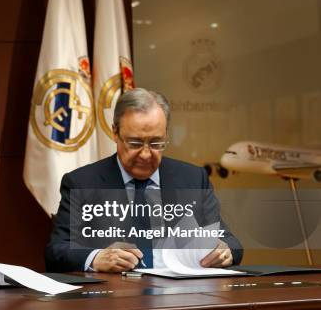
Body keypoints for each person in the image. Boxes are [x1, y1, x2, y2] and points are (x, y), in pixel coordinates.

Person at [45, 88, 243, 273]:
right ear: (115, 133)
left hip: (182, 298)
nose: (146, 154)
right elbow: (56, 251)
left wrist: (225, 252)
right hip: (116, 301)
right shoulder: (82, 183)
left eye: (156, 143)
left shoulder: (192, 178)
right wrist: (96, 258)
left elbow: (230, 243)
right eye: (135, 143)